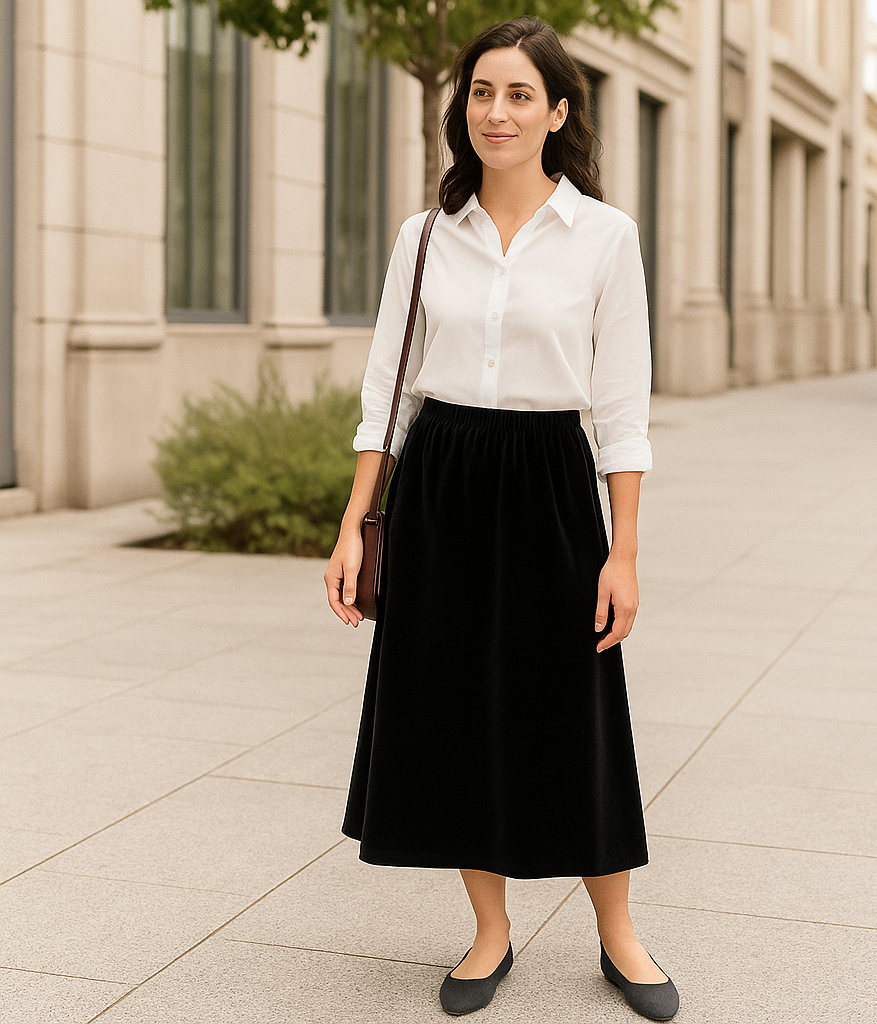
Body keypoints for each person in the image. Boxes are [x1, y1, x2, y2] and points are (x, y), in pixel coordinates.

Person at [324, 16, 678, 1021]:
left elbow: (621, 406)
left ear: (560, 111)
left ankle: (618, 931)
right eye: (482, 93)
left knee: (577, 708)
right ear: (461, 109)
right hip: (441, 479)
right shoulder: (425, 235)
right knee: (455, 706)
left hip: (550, 484)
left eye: (521, 94)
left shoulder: (605, 237)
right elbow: (383, 393)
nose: (497, 111)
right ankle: (490, 929)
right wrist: (354, 523)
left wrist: (625, 551)